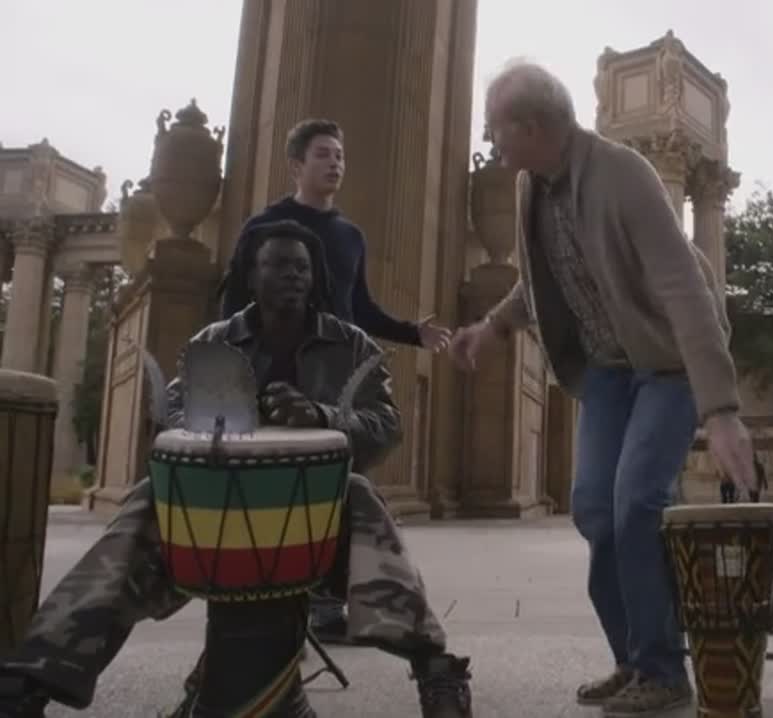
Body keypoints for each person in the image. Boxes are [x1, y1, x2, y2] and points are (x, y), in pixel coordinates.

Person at [0, 220, 472, 718]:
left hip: (318, 515)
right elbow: (174, 412)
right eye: (278, 264)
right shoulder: (215, 342)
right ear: (251, 273)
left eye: (302, 267)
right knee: (146, 501)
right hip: (215, 512)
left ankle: (436, 669)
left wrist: (322, 415)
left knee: (359, 492)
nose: (293, 275)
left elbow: (386, 426)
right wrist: (219, 426)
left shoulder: (352, 345)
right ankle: (34, 676)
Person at [448, 61, 757, 716]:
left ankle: (664, 670)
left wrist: (721, 409)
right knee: (594, 507)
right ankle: (634, 660)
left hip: (668, 364)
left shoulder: (624, 175)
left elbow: (684, 287)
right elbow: (541, 279)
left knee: (637, 502)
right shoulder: (533, 185)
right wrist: (491, 327)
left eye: (496, 128)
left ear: (532, 127)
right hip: (609, 370)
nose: (490, 142)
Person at [217, 118, 450, 642]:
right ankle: (265, 591)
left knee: (337, 483)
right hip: (274, 371)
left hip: (333, 373)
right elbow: (232, 305)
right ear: (296, 164)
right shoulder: (264, 228)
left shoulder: (349, 236)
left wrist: (412, 333)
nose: (336, 163)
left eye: (340, 155)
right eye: (324, 153)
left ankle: (326, 600)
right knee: (277, 485)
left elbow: (359, 308)